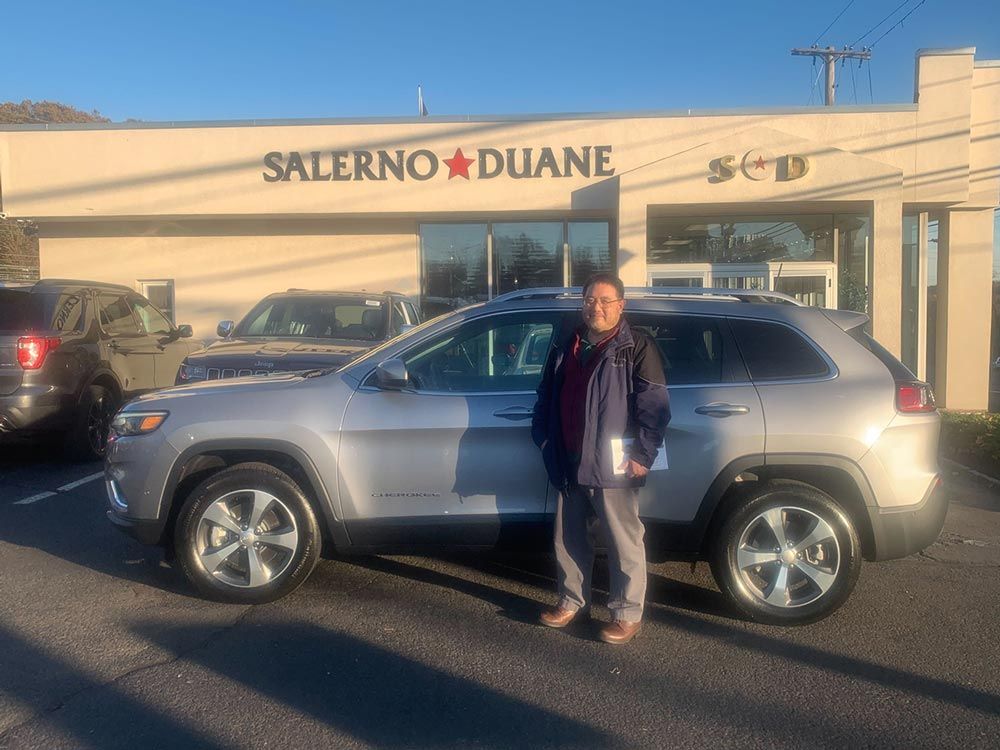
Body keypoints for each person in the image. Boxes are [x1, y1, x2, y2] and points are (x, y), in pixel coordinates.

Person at [531, 273, 670, 644]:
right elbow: (547, 392)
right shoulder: (568, 342)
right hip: (567, 457)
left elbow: (654, 405)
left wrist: (643, 453)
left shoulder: (636, 347)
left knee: (624, 539)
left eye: (605, 301)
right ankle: (572, 601)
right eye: (590, 300)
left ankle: (626, 613)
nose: (596, 307)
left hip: (615, 462)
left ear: (621, 306)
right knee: (569, 537)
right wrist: (543, 437)